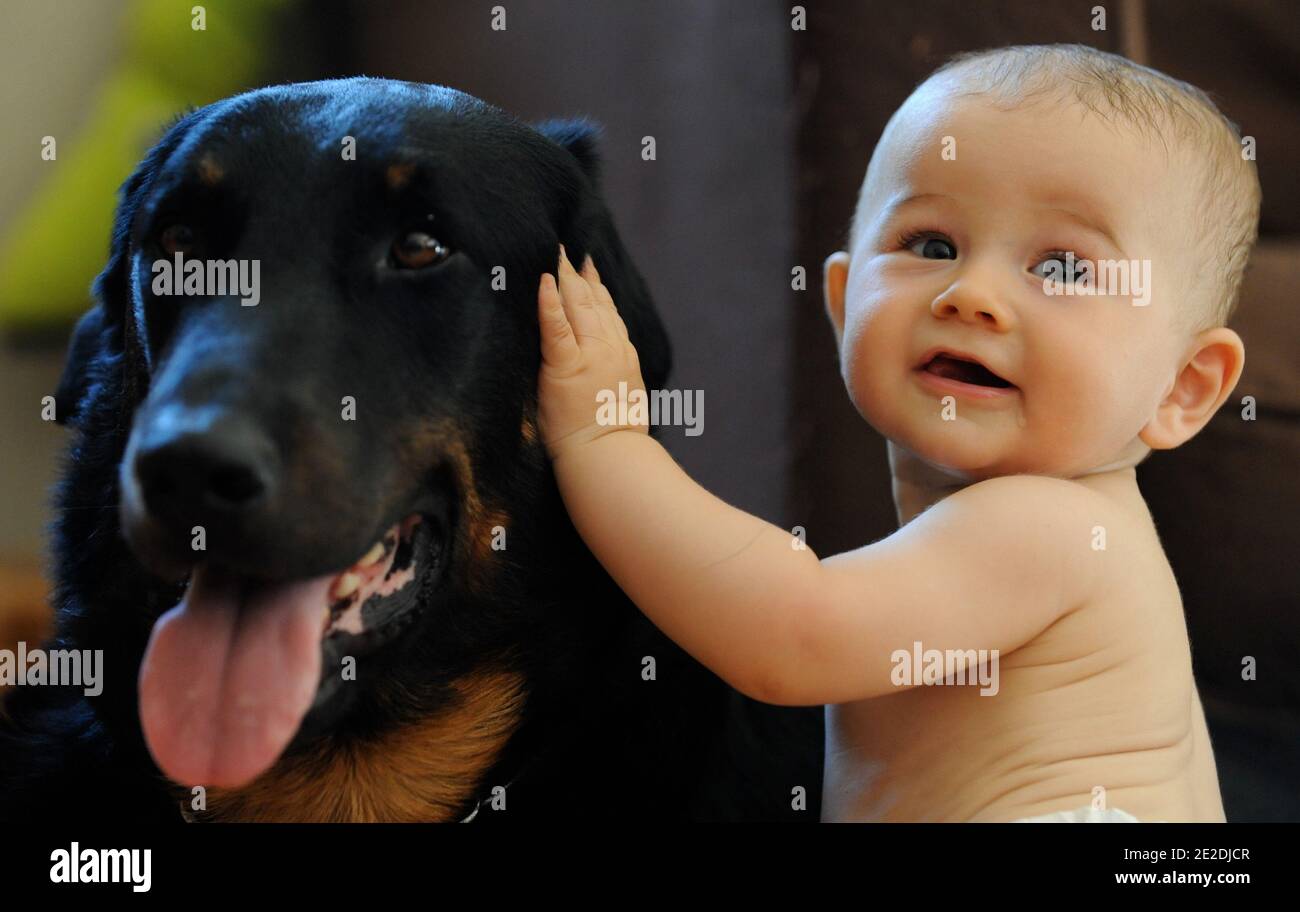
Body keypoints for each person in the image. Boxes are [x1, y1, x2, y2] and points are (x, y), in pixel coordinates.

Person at [534, 44, 1259, 822]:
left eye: (1065, 270)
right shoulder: (1010, 529)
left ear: (1183, 388)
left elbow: (790, 638)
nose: (972, 294)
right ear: (845, 306)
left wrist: (606, 445)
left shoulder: (1059, 527)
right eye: (932, 246)